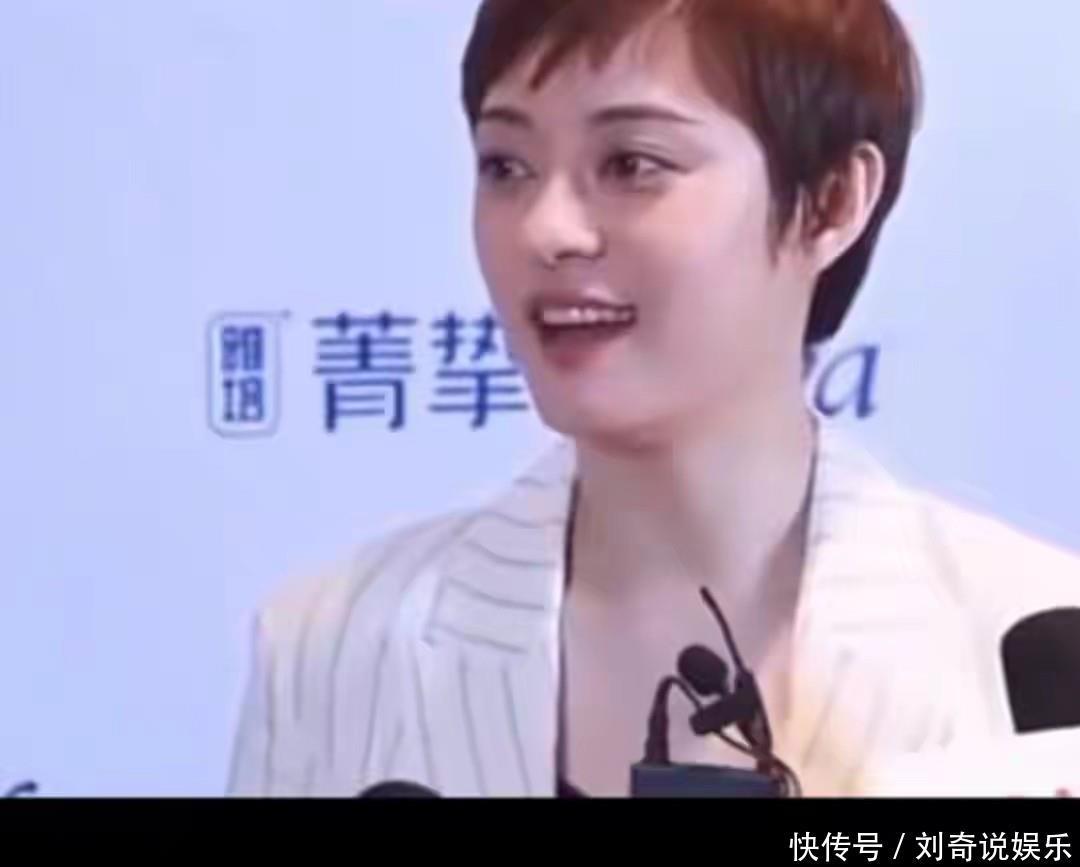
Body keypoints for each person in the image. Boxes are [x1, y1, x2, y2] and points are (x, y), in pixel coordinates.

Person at [227, 0, 1080, 797]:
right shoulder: (328, 646)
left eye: (632, 164)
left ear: (831, 200)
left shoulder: (1032, 641)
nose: (546, 229)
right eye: (506, 166)